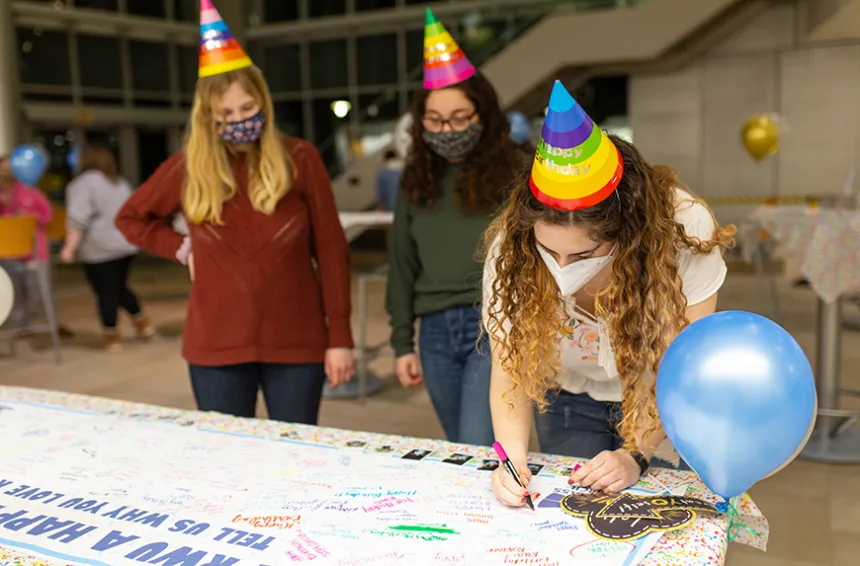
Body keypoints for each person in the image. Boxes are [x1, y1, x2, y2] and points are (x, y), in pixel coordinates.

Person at [484, 82, 734, 505]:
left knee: (657, 516)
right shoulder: (512, 252)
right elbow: (510, 369)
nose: (562, 270)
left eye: (583, 253)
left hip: (664, 395)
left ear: (629, 235)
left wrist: (637, 453)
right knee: (574, 513)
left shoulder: (685, 232)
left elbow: (682, 366)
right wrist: (511, 461)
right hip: (572, 395)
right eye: (549, 251)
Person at [115, 0, 354, 425]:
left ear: (263, 102)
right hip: (215, 347)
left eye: (247, 109)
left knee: (296, 459)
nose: (239, 120)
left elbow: (332, 252)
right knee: (226, 466)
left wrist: (340, 336)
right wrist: (180, 248)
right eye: (225, 114)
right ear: (208, 117)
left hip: (297, 342)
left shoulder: (300, 158)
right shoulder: (190, 165)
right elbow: (131, 218)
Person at [386, 9, 523, 446]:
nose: (448, 130)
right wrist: (401, 342)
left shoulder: (518, 171)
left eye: (460, 118)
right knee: (459, 447)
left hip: (493, 325)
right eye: (436, 121)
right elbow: (401, 264)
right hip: (435, 333)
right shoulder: (415, 180)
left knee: (481, 445)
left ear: (483, 114)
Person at [60, 145, 154, 352]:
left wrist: (69, 248)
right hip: (125, 245)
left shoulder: (81, 185)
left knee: (105, 292)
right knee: (120, 287)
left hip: (99, 248)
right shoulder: (120, 183)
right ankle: (143, 324)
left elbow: (78, 219)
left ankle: (112, 336)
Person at [0, 154, 53, 330]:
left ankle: (51, 324)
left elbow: (47, 216)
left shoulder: (32, 192)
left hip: (35, 252)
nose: (6, 172)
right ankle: (20, 327)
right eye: (3, 168)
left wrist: (29, 217)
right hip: (8, 252)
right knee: (15, 294)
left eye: (9, 168)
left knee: (39, 292)